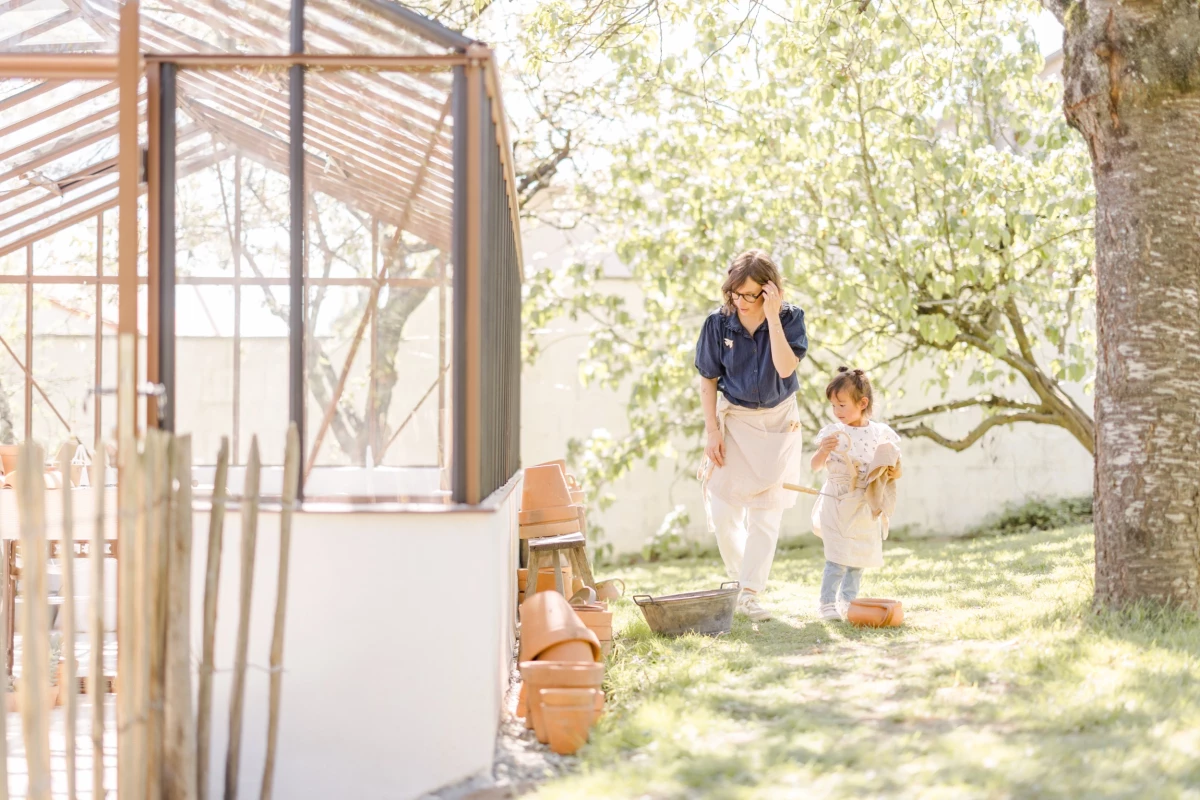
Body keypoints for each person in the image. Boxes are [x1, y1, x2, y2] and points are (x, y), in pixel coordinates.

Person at [695, 249, 808, 622]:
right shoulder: (717, 323)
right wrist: (712, 431)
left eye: (749, 295)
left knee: (766, 513)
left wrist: (772, 317)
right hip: (735, 419)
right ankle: (740, 580)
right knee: (723, 507)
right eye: (735, 294)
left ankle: (750, 592)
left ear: (769, 292)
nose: (740, 302)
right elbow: (707, 379)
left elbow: (785, 366)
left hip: (778, 421)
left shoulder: (791, 319)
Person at [810, 367, 902, 621]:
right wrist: (823, 451)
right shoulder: (834, 433)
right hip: (838, 499)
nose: (837, 412)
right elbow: (815, 466)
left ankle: (848, 601)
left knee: (858, 556)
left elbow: (891, 466)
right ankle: (827, 602)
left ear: (863, 403)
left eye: (842, 405)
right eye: (833, 406)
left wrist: (889, 470)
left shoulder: (879, 433)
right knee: (838, 555)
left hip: (865, 500)